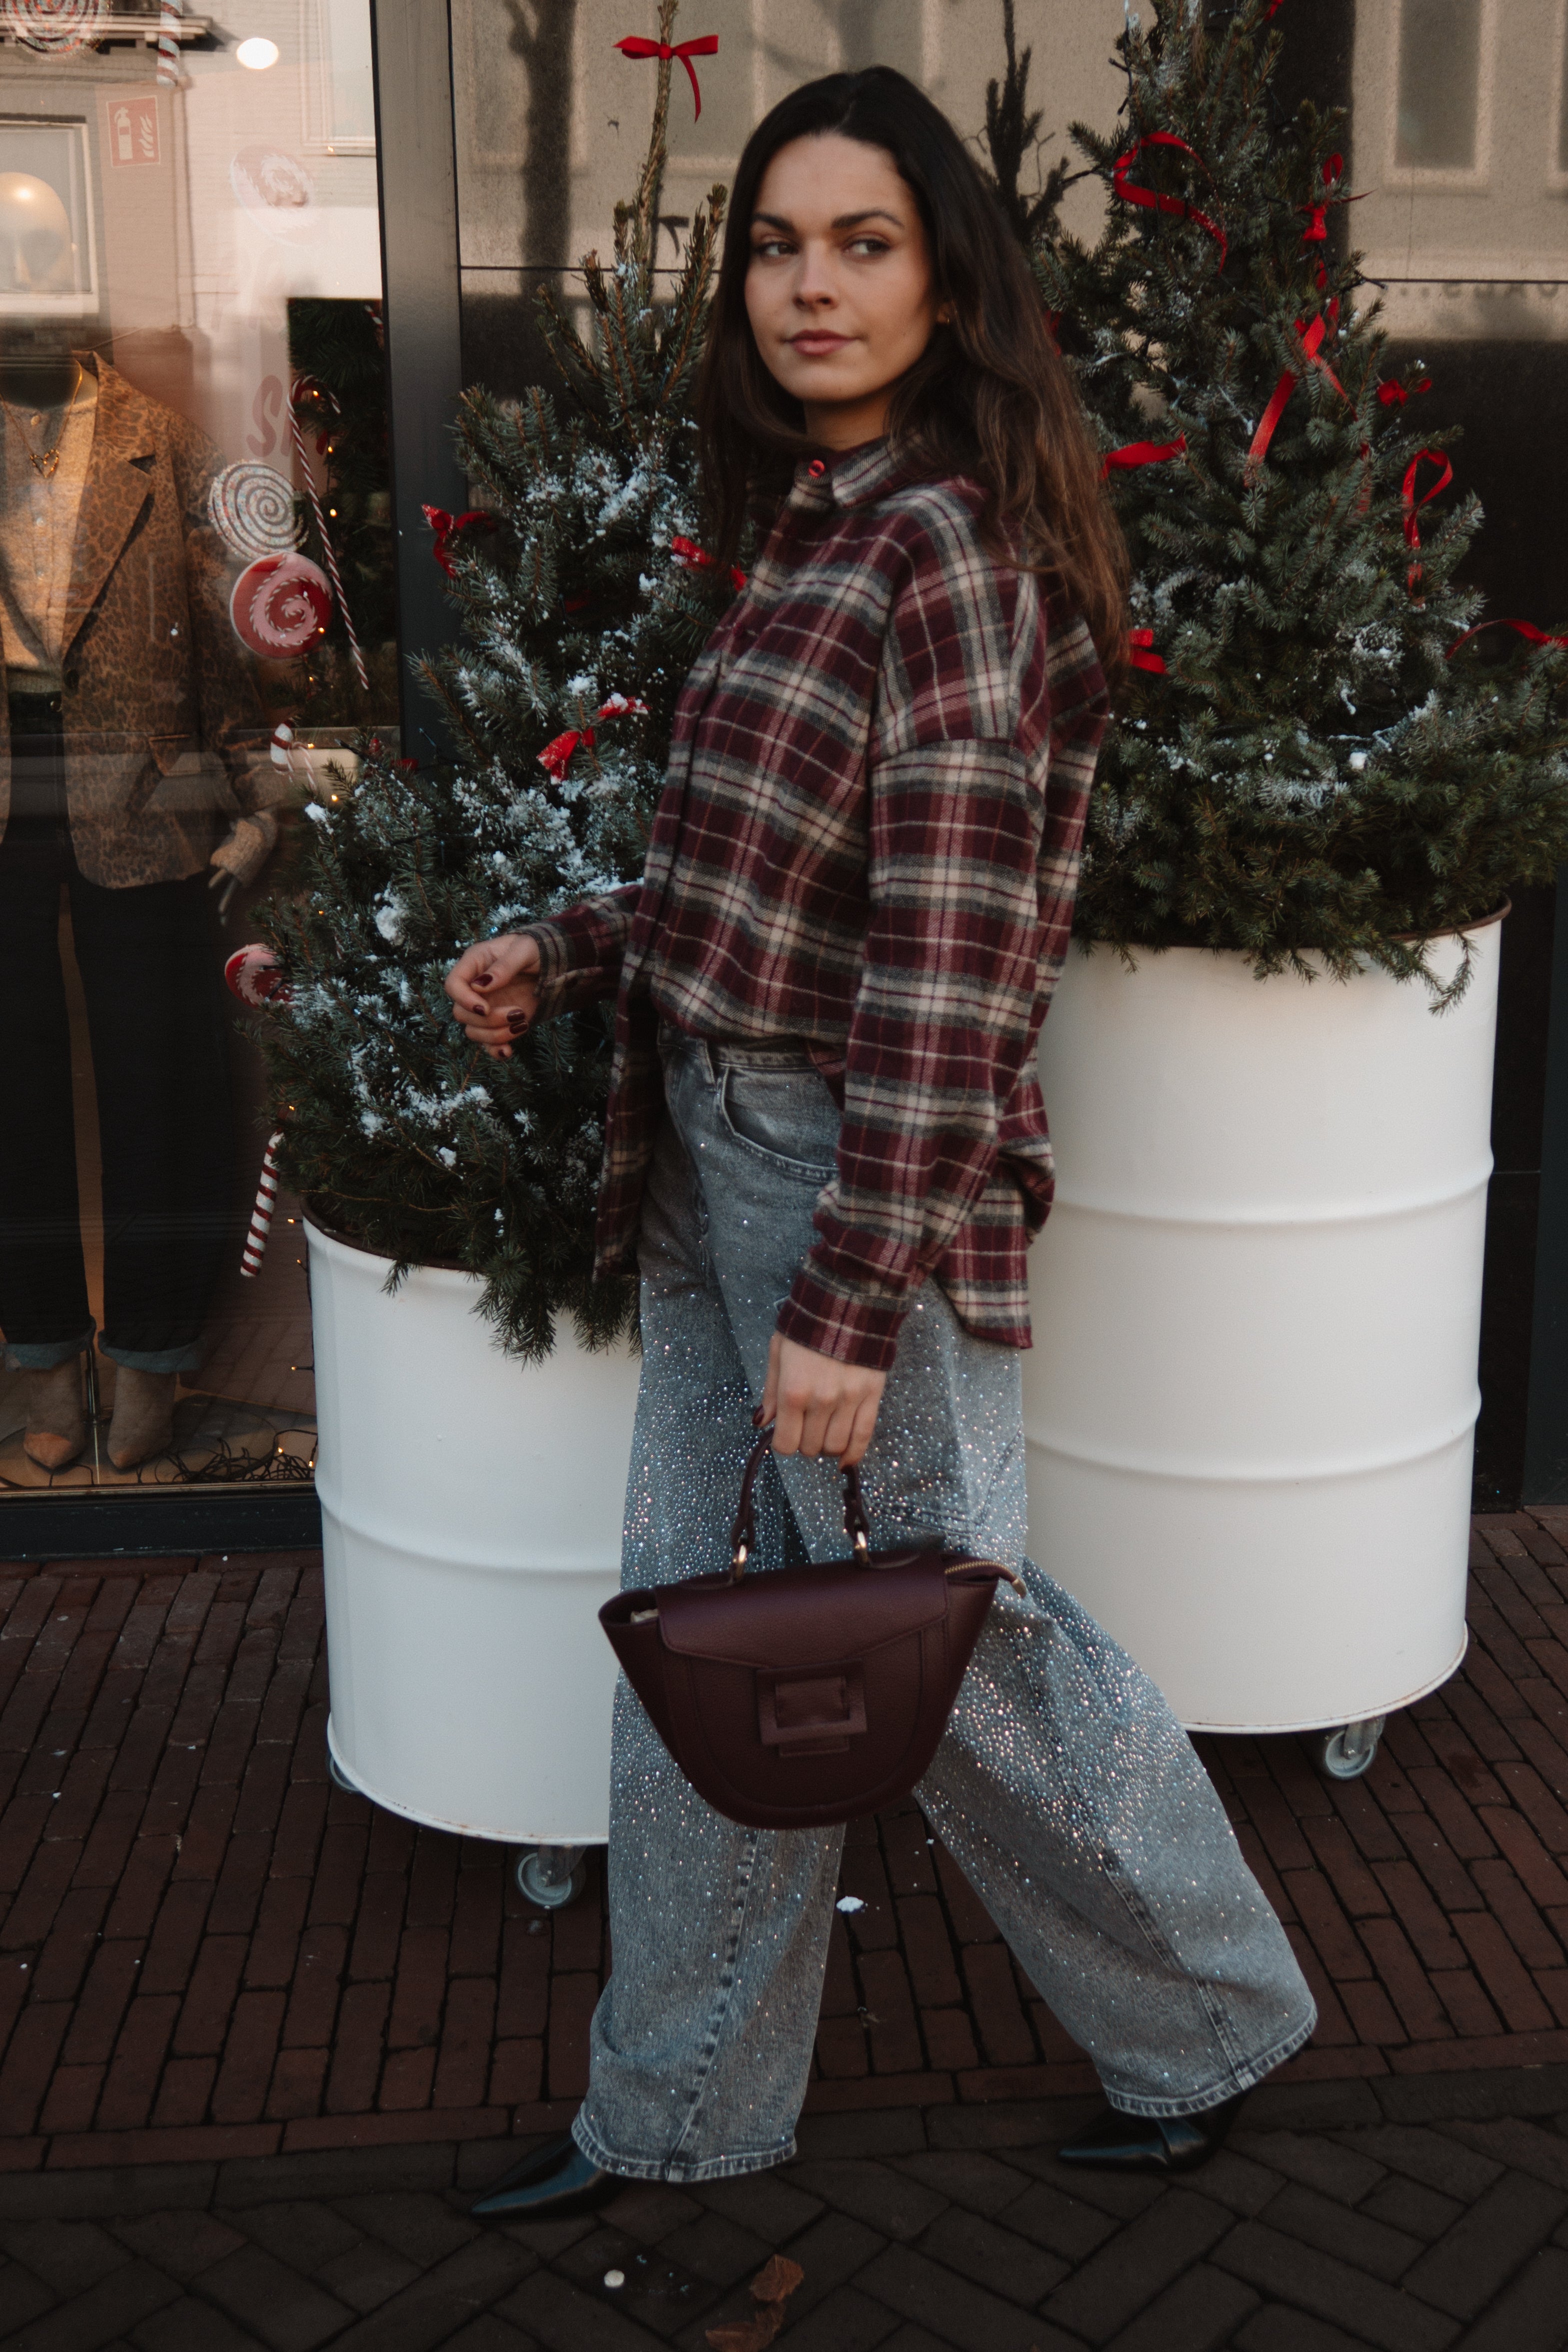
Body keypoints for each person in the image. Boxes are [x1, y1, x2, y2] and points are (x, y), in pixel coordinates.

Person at [445, 67, 1315, 2214]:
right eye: (773, 245)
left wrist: (847, 1295)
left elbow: (950, 964)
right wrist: (569, 944)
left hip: (850, 1177)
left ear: (947, 278)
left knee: (955, 1642)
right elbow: (766, 876)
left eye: (860, 242)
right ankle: (675, 2110)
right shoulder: (819, 524)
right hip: (720, 1147)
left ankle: (1203, 2022)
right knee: (709, 1640)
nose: (806, 286)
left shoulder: (949, 550)